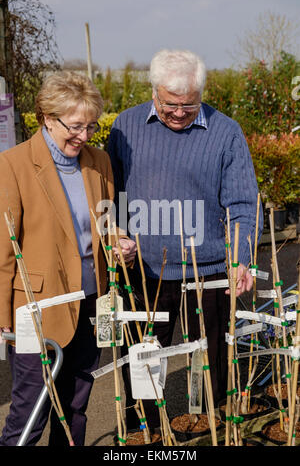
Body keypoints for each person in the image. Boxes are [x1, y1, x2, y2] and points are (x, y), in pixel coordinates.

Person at [108, 49, 263, 429]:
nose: (179, 113)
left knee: (209, 359)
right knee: (143, 357)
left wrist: (242, 257)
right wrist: (116, 234)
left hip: (208, 270)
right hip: (145, 269)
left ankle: (209, 425)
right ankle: (144, 432)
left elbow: (242, 202)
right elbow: (112, 193)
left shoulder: (226, 132)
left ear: (201, 95)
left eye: (189, 106)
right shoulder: (125, 126)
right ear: (154, 93)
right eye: (170, 104)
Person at [0, 71, 136, 446]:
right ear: (47, 116)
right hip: (38, 308)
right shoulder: (13, 165)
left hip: (92, 303)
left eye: (91, 126)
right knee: (32, 408)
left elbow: (108, 223)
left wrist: (120, 242)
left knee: (75, 406)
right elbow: (3, 250)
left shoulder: (99, 162)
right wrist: (2, 319)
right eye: (75, 126)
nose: (83, 136)